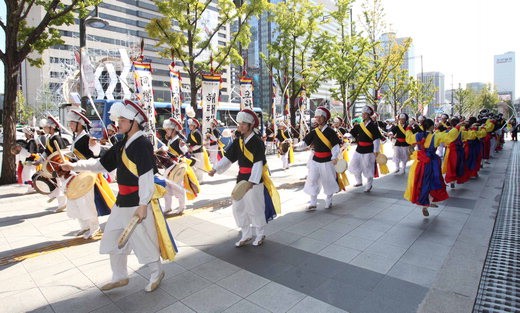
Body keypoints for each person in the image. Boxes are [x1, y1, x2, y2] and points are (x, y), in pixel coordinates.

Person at [61, 100, 168, 292]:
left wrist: (143, 204)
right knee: (112, 238)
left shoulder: (142, 144)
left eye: (122, 120)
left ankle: (156, 272)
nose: (118, 123)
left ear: (133, 121)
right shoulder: (121, 144)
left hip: (137, 203)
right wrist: (74, 166)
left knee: (143, 240)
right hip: (121, 203)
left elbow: (146, 177)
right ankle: (119, 276)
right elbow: (101, 165)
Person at [209, 109, 280, 247]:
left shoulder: (257, 142)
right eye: (239, 123)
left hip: (254, 180)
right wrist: (215, 168)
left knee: (255, 207)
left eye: (243, 124)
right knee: (238, 207)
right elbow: (228, 157)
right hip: (241, 177)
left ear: (250, 125)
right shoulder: (238, 141)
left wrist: (251, 182)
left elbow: (258, 163)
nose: (240, 126)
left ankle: (260, 234)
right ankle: (246, 234)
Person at [65, 109, 115, 239]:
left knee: (88, 202)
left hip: (88, 175)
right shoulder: (76, 137)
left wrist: (94, 145)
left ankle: (95, 227)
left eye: (72, 123)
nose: (70, 125)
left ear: (79, 124)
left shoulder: (87, 137)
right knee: (76, 201)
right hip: (77, 173)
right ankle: (85, 225)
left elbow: (96, 153)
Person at [404, 118, 461, 216]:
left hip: (420, 163)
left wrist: (409, 127)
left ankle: (425, 203)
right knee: (433, 182)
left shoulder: (417, 135)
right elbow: (449, 136)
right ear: (431, 127)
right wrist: (457, 127)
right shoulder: (436, 136)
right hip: (432, 162)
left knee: (421, 182)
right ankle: (429, 202)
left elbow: (408, 138)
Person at [294, 106, 341, 210]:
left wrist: (334, 156)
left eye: (320, 117)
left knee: (328, 181)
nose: (318, 119)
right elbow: (305, 142)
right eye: (316, 117)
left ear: (325, 118)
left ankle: (329, 200)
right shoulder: (314, 132)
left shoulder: (331, 132)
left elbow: (335, 146)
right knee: (312, 180)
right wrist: (295, 146)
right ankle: (313, 202)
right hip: (315, 160)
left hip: (327, 161)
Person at [347, 105, 383, 192]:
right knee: (354, 164)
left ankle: (369, 184)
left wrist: (376, 150)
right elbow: (352, 133)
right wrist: (348, 136)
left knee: (368, 167)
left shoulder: (373, 126)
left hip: (369, 150)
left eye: (365, 114)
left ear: (369, 115)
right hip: (359, 149)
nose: (363, 115)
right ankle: (359, 181)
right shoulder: (359, 125)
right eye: (362, 114)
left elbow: (377, 139)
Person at [37, 115, 68, 212]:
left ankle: (62, 204)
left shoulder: (56, 138)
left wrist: (58, 166)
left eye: (46, 127)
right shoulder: (50, 138)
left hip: (58, 165)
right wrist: (40, 160)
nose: (44, 129)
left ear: (52, 128)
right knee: (58, 183)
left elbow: (59, 153)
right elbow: (47, 151)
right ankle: (58, 199)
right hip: (52, 165)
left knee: (60, 183)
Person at [160, 117, 187, 215]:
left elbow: (187, 154)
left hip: (177, 167)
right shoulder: (170, 140)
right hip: (169, 167)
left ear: (173, 130)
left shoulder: (179, 141)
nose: (166, 131)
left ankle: (182, 206)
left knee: (178, 187)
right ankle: (168, 207)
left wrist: (178, 158)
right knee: (166, 187)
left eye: (167, 129)